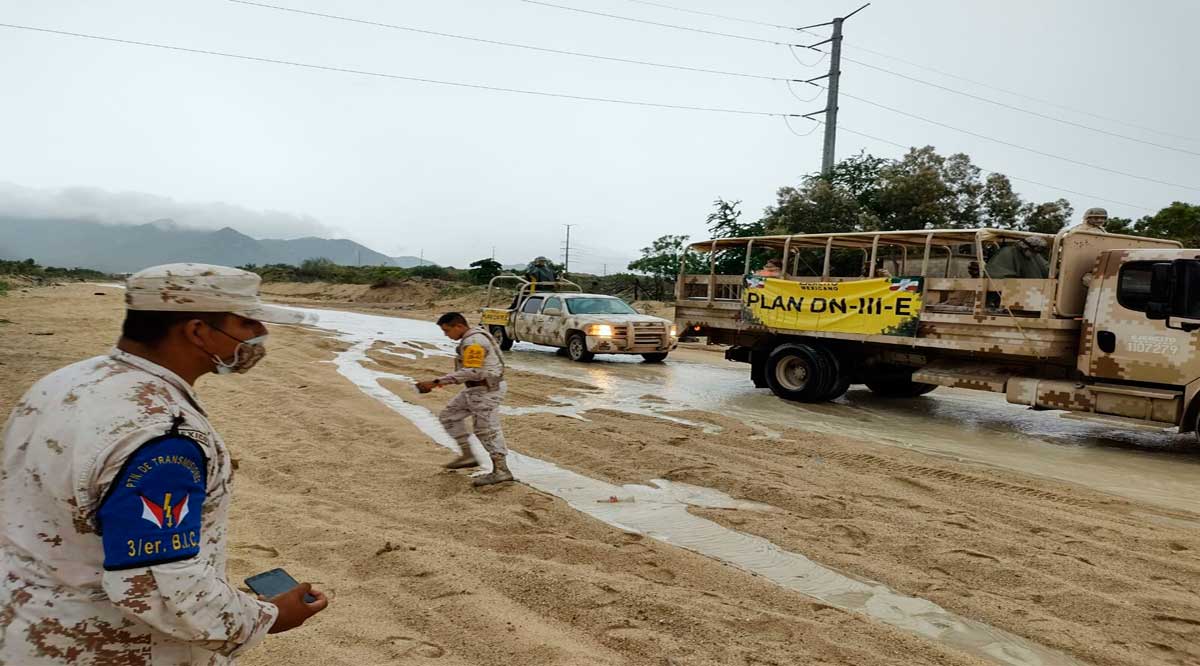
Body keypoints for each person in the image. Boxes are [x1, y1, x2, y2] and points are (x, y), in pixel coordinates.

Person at [0, 263, 328, 665]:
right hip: (102, 645)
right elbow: (157, 586)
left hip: (26, 618)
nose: (260, 333)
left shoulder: (65, 382)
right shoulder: (162, 434)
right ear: (196, 330)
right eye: (246, 322)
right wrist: (269, 616)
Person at [417, 313, 514, 487]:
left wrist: (436, 382)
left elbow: (473, 372)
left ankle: (501, 471)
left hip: (486, 390)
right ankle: (468, 456)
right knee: (449, 416)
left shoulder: (473, 342)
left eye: (447, 330)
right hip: (477, 389)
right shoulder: (474, 337)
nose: (446, 335)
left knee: (486, 430)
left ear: (459, 326)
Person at [985, 236, 1050, 280]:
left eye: (1036, 252)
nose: (1035, 254)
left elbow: (1046, 268)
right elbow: (996, 274)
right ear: (1025, 248)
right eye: (1033, 251)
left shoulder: (1035, 256)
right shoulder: (1007, 252)